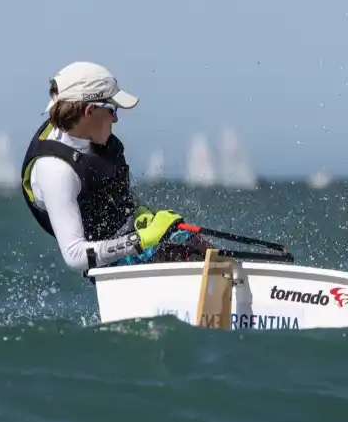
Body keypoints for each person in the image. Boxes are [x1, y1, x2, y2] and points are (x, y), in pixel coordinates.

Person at [19, 61, 211, 277]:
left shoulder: (81, 130)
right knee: (185, 257)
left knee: (199, 248)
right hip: (105, 261)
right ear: (89, 111)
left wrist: (141, 213)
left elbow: (113, 189)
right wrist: (142, 239)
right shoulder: (56, 170)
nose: (116, 118)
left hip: (127, 234)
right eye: (112, 109)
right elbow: (74, 256)